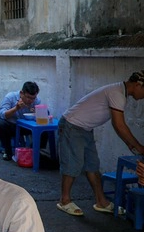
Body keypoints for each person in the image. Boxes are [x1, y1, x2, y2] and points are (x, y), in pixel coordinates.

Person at [56, 70, 144, 217]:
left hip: (84, 128)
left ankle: (101, 201)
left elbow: (118, 126)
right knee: (73, 164)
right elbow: (119, 125)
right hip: (72, 126)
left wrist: (131, 144)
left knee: (93, 165)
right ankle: (64, 200)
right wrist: (138, 146)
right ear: (138, 85)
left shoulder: (119, 92)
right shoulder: (117, 94)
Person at [0, 81, 44, 161]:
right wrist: (16, 108)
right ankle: (8, 151)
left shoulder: (37, 101)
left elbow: (40, 116)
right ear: (21, 93)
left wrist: (37, 112)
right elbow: (2, 114)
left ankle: (33, 151)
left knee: (44, 129)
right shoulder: (10, 97)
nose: (30, 100)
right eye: (28, 97)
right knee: (0, 124)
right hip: (11, 125)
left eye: (33, 98)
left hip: (25, 127)